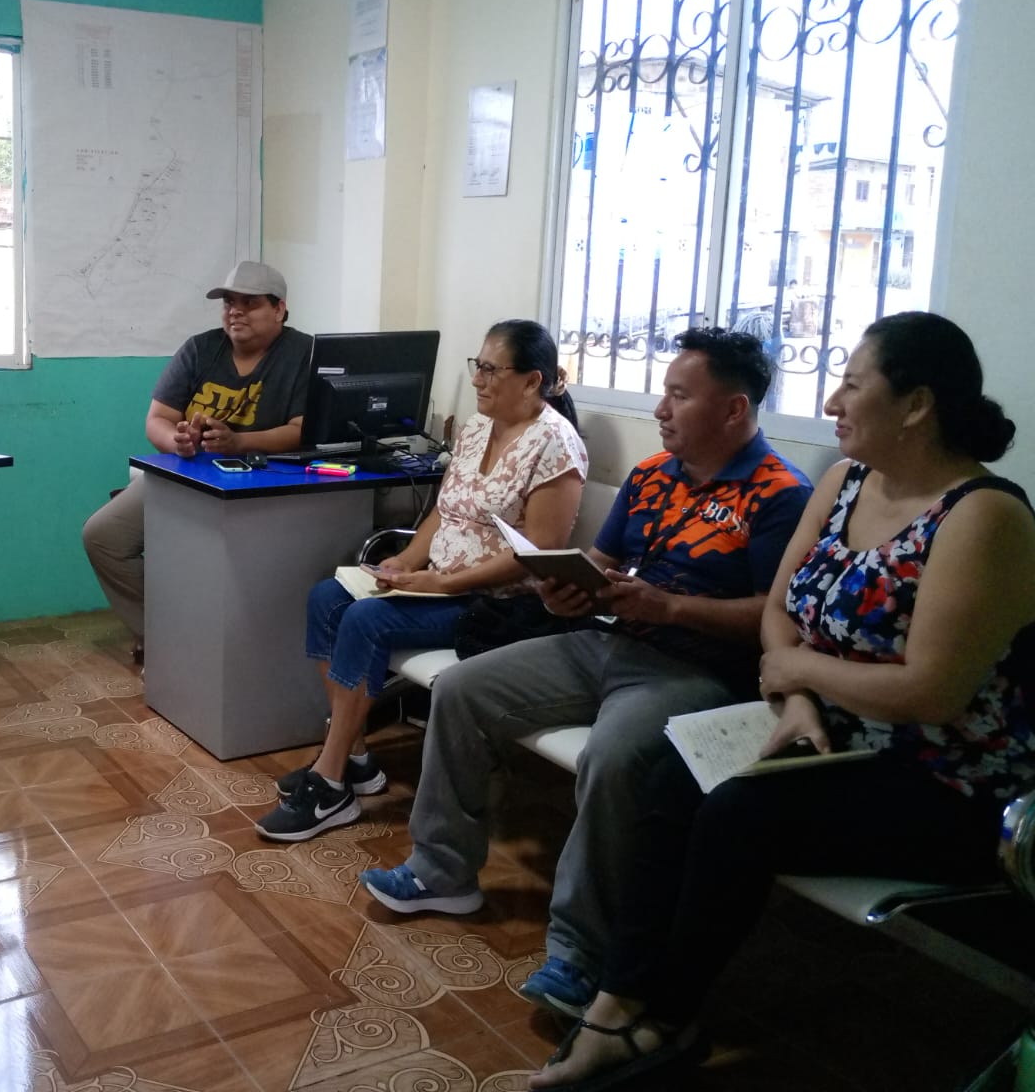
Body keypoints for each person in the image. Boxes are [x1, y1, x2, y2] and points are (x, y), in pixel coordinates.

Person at [530, 311, 1035, 1090]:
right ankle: (615, 1000)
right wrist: (795, 689)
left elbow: (930, 690)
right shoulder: (846, 482)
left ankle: (662, 1018)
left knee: (736, 815)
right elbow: (779, 609)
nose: (832, 403)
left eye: (853, 385)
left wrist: (796, 673)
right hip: (829, 732)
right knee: (670, 774)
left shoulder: (985, 515)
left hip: (943, 778)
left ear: (916, 405)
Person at [358, 329, 812, 997]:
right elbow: (599, 562)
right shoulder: (654, 475)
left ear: (734, 409)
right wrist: (561, 588)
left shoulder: (780, 494)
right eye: (663, 392)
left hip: (697, 672)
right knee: (459, 689)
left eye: (679, 396)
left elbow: (779, 615)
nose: (660, 409)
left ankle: (579, 952)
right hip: (607, 641)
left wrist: (671, 608)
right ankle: (440, 871)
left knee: (614, 757)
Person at [255, 320, 587, 841]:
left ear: (531, 381)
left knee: (365, 620)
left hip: (496, 605)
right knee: (326, 598)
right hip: (438, 584)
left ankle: (331, 781)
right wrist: (407, 562)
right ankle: (355, 757)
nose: (477, 379)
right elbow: (445, 511)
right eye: (477, 366)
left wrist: (445, 585)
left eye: (491, 369)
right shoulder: (476, 428)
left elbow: (538, 552)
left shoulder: (555, 444)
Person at [81, 261, 312, 662]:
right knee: (103, 536)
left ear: (279, 309)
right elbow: (157, 420)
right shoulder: (200, 349)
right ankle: (165, 636)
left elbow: (301, 429)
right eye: (229, 303)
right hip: (186, 476)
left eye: (250, 303)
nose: (235, 311)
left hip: (262, 485)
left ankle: (213, 647)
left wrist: (238, 442)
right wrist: (179, 442)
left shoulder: (303, 354)